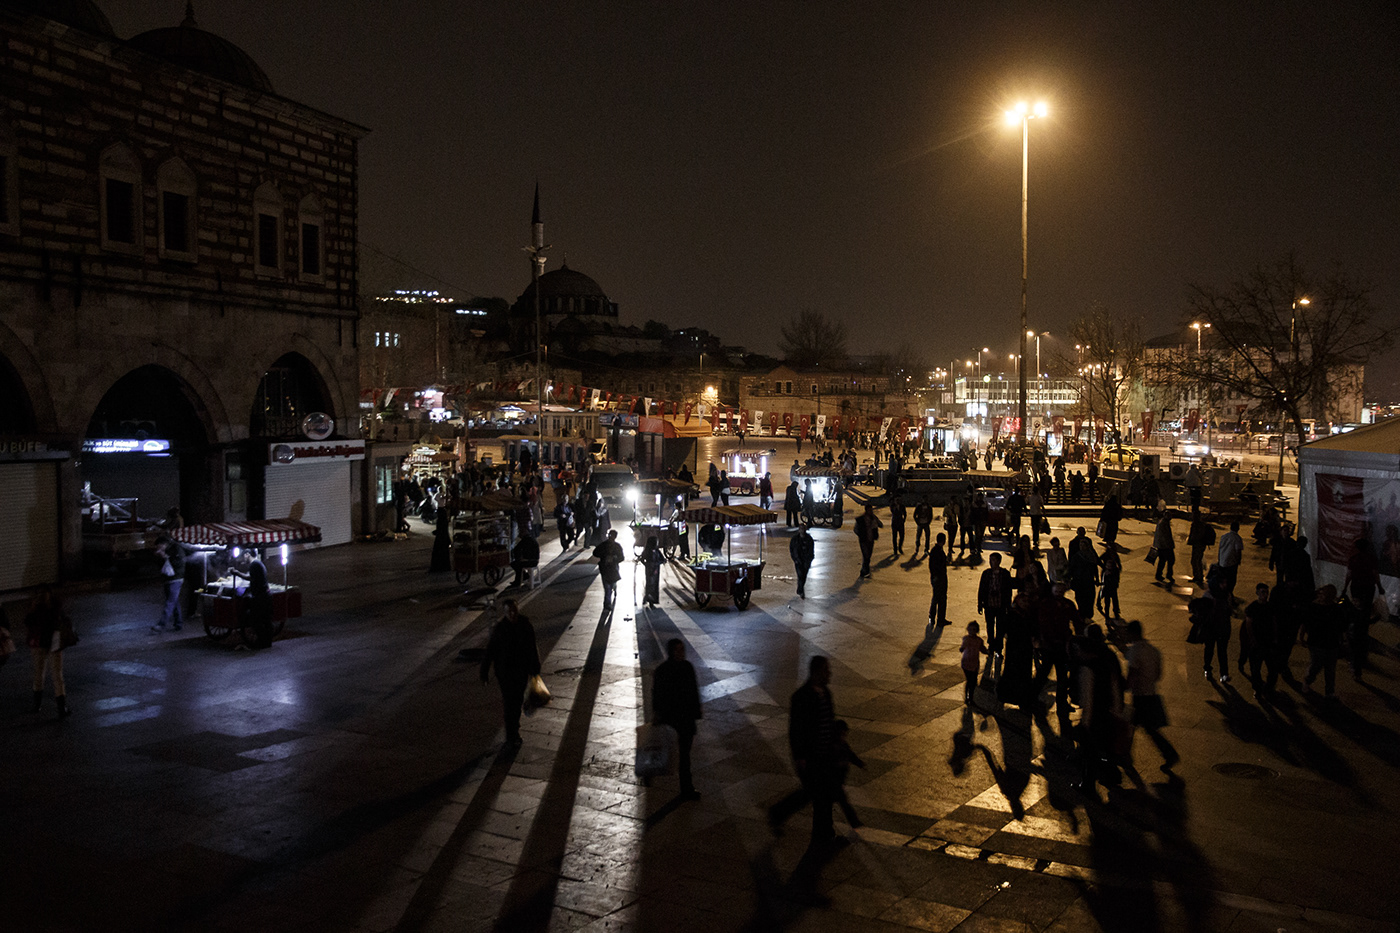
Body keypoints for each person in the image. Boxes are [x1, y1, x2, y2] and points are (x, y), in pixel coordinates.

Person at [768, 656, 839, 844]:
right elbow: (796, 730)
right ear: (816, 672)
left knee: (820, 794)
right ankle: (781, 814)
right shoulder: (801, 697)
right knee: (816, 794)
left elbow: (830, 722)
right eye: (826, 670)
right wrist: (800, 756)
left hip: (825, 755)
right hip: (811, 757)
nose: (829, 674)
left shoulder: (826, 693)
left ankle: (822, 832)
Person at [1073, 623, 1127, 796]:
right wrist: (1118, 709)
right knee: (1106, 746)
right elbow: (1116, 685)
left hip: (1096, 716)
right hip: (1109, 711)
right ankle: (1111, 776)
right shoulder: (1108, 658)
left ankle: (1088, 785)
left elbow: (1088, 699)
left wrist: (1085, 723)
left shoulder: (1088, 669)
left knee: (1090, 752)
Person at [480, 599, 541, 746]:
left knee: (517, 701)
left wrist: (535, 670)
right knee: (509, 704)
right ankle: (511, 734)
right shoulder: (500, 630)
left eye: (514, 610)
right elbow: (490, 651)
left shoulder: (525, 626)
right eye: (509, 612)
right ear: (505, 613)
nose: (512, 614)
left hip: (520, 672)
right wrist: (484, 671)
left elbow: (532, 648)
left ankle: (514, 729)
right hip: (505, 674)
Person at [1124, 620, 1179, 772]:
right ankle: (1126, 755)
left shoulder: (1135, 651)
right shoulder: (1153, 650)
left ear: (1132, 633)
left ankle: (1169, 754)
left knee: (1137, 726)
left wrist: (1123, 687)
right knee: (1141, 726)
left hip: (1140, 695)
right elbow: (1158, 675)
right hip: (1151, 692)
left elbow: (1132, 676)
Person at [653, 638, 702, 800]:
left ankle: (687, 788)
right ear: (671, 652)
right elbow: (657, 696)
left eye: (682, 650)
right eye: (677, 650)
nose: (681, 653)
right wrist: (658, 714)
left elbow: (694, 691)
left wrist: (696, 712)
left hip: (686, 719)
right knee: (667, 752)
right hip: (672, 719)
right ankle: (651, 775)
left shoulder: (688, 667)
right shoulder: (662, 671)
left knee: (685, 756)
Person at [25, 587, 75, 718]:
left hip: (40, 645)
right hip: (53, 644)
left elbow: (28, 623)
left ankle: (38, 705)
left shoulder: (38, 608)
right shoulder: (55, 608)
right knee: (56, 675)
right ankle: (61, 707)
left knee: (40, 674)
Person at [1300, 585, 1344, 698]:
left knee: (1330, 669)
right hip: (1317, 642)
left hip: (1330, 642)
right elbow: (1305, 622)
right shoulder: (1313, 607)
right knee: (1316, 665)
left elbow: (1339, 625)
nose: (1320, 596)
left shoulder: (1335, 608)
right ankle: (1308, 680)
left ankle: (1329, 691)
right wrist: (1301, 636)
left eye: (1322, 594)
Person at [1241, 583, 1279, 697]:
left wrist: (1275, 638)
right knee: (1255, 668)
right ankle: (1257, 688)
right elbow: (1248, 624)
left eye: (1266, 592)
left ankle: (1268, 687)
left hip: (1268, 641)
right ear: (1257, 593)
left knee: (1272, 668)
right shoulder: (1252, 607)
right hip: (1257, 642)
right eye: (1263, 592)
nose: (1265, 595)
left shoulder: (1270, 606)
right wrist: (1252, 640)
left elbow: (1274, 622)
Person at [830, 720, 865, 829]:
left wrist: (858, 763)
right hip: (834, 780)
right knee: (843, 802)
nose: (844, 736)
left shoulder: (841, 744)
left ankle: (854, 822)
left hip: (837, 780)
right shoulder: (835, 746)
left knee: (839, 802)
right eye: (843, 733)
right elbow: (849, 755)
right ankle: (854, 822)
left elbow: (850, 754)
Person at [977, 553, 1013, 652]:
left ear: (998, 561)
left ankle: (999, 645)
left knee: (1000, 626)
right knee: (990, 625)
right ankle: (991, 643)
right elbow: (981, 589)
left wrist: (1008, 605)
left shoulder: (1005, 574)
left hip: (1000, 604)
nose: (991, 562)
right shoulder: (986, 573)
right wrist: (980, 603)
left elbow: (1008, 591)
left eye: (993, 560)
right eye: (990, 560)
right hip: (989, 604)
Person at [151, 534, 187, 633]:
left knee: (170, 602)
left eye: (159, 546)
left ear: (164, 544)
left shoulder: (176, 549)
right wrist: (160, 557)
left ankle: (161, 624)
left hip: (176, 579)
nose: (158, 548)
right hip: (167, 579)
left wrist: (166, 557)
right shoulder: (165, 550)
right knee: (173, 601)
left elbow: (179, 563)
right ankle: (178, 623)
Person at [1067, 533, 1100, 622]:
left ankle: (1088, 615)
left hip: (1089, 581)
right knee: (1080, 599)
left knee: (1089, 600)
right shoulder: (1076, 557)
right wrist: (1068, 578)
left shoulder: (1091, 556)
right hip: (1079, 582)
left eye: (1083, 545)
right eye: (1080, 545)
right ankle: (1082, 615)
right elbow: (1071, 568)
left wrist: (1097, 579)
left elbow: (1094, 568)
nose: (1081, 547)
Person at [593, 529, 625, 612]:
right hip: (605, 568)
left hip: (613, 568)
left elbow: (622, 557)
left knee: (611, 584)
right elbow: (595, 552)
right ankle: (607, 603)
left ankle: (613, 590)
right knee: (607, 587)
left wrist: (614, 558)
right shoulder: (603, 545)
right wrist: (604, 556)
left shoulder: (617, 546)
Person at [961, 621, 989, 705]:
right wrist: (962, 648)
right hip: (966, 662)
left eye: (974, 629)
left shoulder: (979, 640)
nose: (972, 631)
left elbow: (982, 649)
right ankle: (967, 697)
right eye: (970, 629)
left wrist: (988, 651)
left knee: (973, 682)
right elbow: (962, 648)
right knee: (970, 681)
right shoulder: (966, 639)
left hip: (975, 663)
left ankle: (971, 697)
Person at [1186, 511, 1216, 585]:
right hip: (1198, 545)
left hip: (1198, 545)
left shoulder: (1198, 525)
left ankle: (1198, 576)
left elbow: (1198, 535)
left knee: (1196, 560)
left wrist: (1192, 540)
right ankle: (1197, 576)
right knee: (1195, 560)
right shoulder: (1199, 524)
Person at [928, 532, 949, 631]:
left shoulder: (937, 550)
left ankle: (938, 618)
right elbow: (934, 566)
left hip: (940, 577)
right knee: (938, 598)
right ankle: (935, 618)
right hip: (939, 578)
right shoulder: (937, 551)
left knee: (940, 598)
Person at [1217, 520, 1244, 599]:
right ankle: (1229, 594)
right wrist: (1238, 560)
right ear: (1238, 529)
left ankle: (1223, 593)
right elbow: (1238, 550)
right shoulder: (1237, 538)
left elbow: (1220, 548)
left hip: (1222, 561)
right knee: (1231, 580)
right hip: (1231, 563)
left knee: (1223, 579)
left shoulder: (1224, 536)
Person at [854, 503, 882, 579]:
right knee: (866, 555)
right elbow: (856, 529)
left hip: (871, 539)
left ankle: (864, 571)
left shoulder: (873, 518)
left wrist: (875, 519)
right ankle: (866, 571)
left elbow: (880, 524)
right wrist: (861, 535)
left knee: (868, 556)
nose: (870, 511)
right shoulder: (861, 519)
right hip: (863, 540)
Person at [790, 525, 815, 599]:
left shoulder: (809, 539)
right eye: (801, 529)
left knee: (804, 576)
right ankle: (801, 591)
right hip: (798, 560)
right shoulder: (795, 539)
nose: (802, 531)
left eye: (803, 529)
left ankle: (800, 589)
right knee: (800, 575)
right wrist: (795, 558)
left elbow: (811, 549)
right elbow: (792, 549)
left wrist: (810, 558)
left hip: (806, 560)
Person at [1098, 548, 1122, 619]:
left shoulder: (1115, 570)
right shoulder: (1106, 572)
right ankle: (1108, 611)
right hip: (1108, 586)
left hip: (1112, 586)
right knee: (1108, 599)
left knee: (1113, 599)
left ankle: (1115, 611)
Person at [1153, 512, 1177, 585]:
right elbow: (1165, 536)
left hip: (1162, 545)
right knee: (1170, 560)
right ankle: (1168, 575)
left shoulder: (1162, 522)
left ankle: (1160, 574)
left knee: (1163, 561)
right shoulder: (1164, 523)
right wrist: (1168, 545)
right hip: (1165, 546)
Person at [640, 536, 664, 607]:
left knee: (654, 585)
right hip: (650, 570)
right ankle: (648, 597)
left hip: (655, 570)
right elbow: (642, 559)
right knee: (650, 584)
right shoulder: (647, 551)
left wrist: (657, 563)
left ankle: (651, 600)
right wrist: (647, 565)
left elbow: (662, 559)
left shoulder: (657, 551)